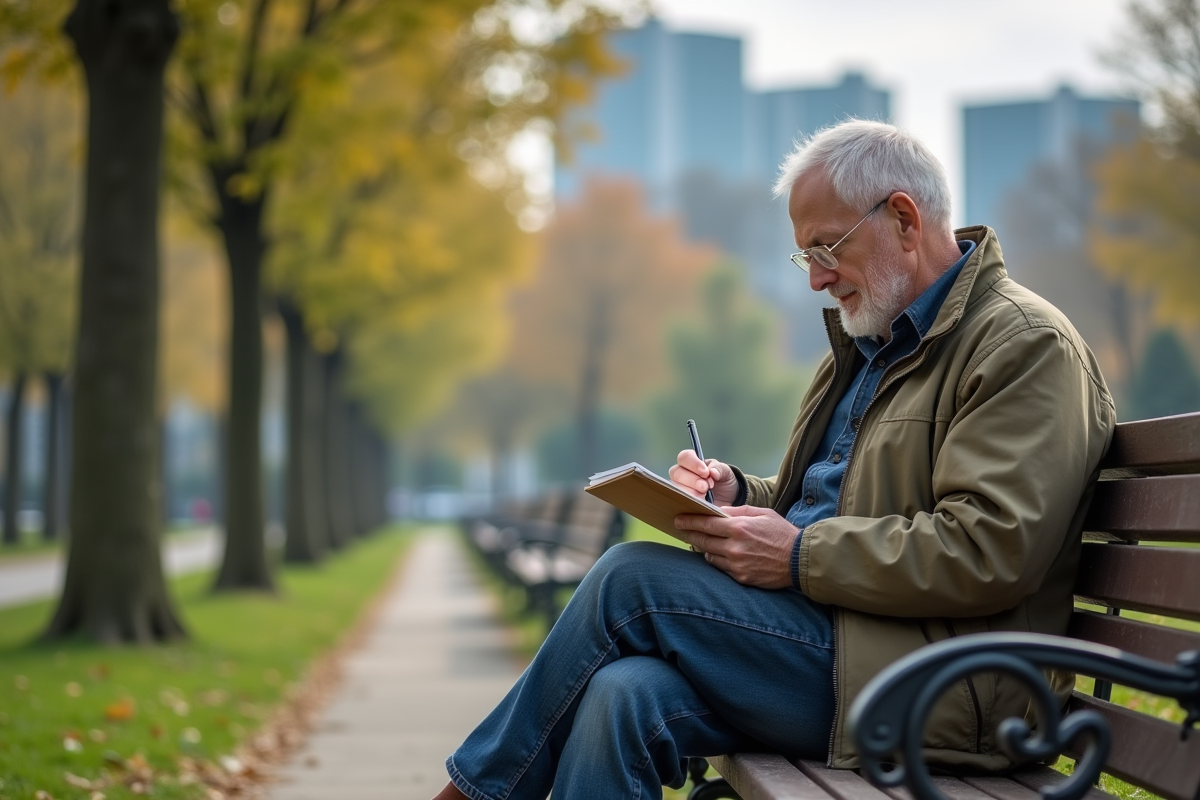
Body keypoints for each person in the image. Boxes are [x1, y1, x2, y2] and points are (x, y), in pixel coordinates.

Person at [431, 120, 1116, 800]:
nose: (816, 279)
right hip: (841, 649)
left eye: (827, 247)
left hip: (942, 688)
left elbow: (990, 547)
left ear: (904, 219)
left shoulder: (1024, 346)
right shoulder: (868, 346)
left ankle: (476, 794)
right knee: (621, 695)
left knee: (626, 579)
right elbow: (829, 509)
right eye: (804, 256)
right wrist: (738, 496)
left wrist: (797, 556)